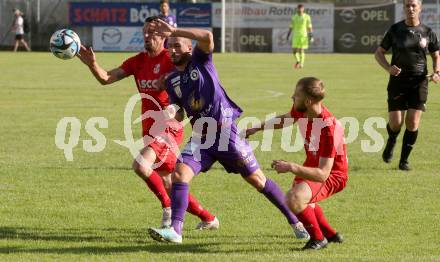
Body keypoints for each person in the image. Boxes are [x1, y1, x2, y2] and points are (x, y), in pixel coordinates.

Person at [146, 19, 309, 244]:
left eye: (177, 45)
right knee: (179, 174)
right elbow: (180, 112)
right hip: (201, 138)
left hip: (226, 135)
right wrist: (171, 110)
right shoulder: (172, 79)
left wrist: (175, 30)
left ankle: (296, 221)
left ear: (188, 48)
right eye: (169, 46)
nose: (172, 50)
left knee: (258, 181)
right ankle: (176, 230)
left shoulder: (201, 61)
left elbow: (207, 37)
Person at [77, 16, 218, 230]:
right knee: (169, 183)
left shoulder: (172, 59)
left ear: (164, 35)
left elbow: (194, 79)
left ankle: (168, 209)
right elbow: (106, 78)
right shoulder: (138, 61)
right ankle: (208, 218)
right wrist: (92, 64)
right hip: (149, 127)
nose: (147, 35)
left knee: (141, 166)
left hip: (169, 126)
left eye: (153, 32)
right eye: (145, 31)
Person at [246, 77, 348, 250]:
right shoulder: (303, 109)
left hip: (333, 175)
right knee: (303, 201)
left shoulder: (329, 129)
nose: (292, 97)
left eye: (296, 95)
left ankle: (318, 239)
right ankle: (331, 235)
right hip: (311, 166)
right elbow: (286, 118)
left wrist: (291, 167)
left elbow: (323, 173)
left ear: (308, 101)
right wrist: (258, 127)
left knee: (294, 198)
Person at [374, 0, 440, 171]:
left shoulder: (427, 32)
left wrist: (437, 71)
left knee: (412, 122)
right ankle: (391, 140)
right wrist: (389, 67)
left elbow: (436, 55)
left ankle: (403, 161)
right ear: (403, 8)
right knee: (396, 123)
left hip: (419, 82)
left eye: (414, 6)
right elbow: (379, 53)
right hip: (398, 82)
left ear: (420, 8)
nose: (410, 9)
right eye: (407, 6)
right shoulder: (395, 30)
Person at [287, 4, 313, 69]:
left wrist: (311, 35)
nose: (300, 10)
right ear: (297, 9)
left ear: (303, 9)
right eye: (299, 8)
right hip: (295, 35)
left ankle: (301, 64)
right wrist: (288, 34)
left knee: (301, 50)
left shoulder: (307, 16)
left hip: (303, 35)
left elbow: (309, 27)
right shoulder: (294, 17)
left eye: (301, 8)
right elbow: (291, 27)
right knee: (294, 51)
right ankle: (298, 61)